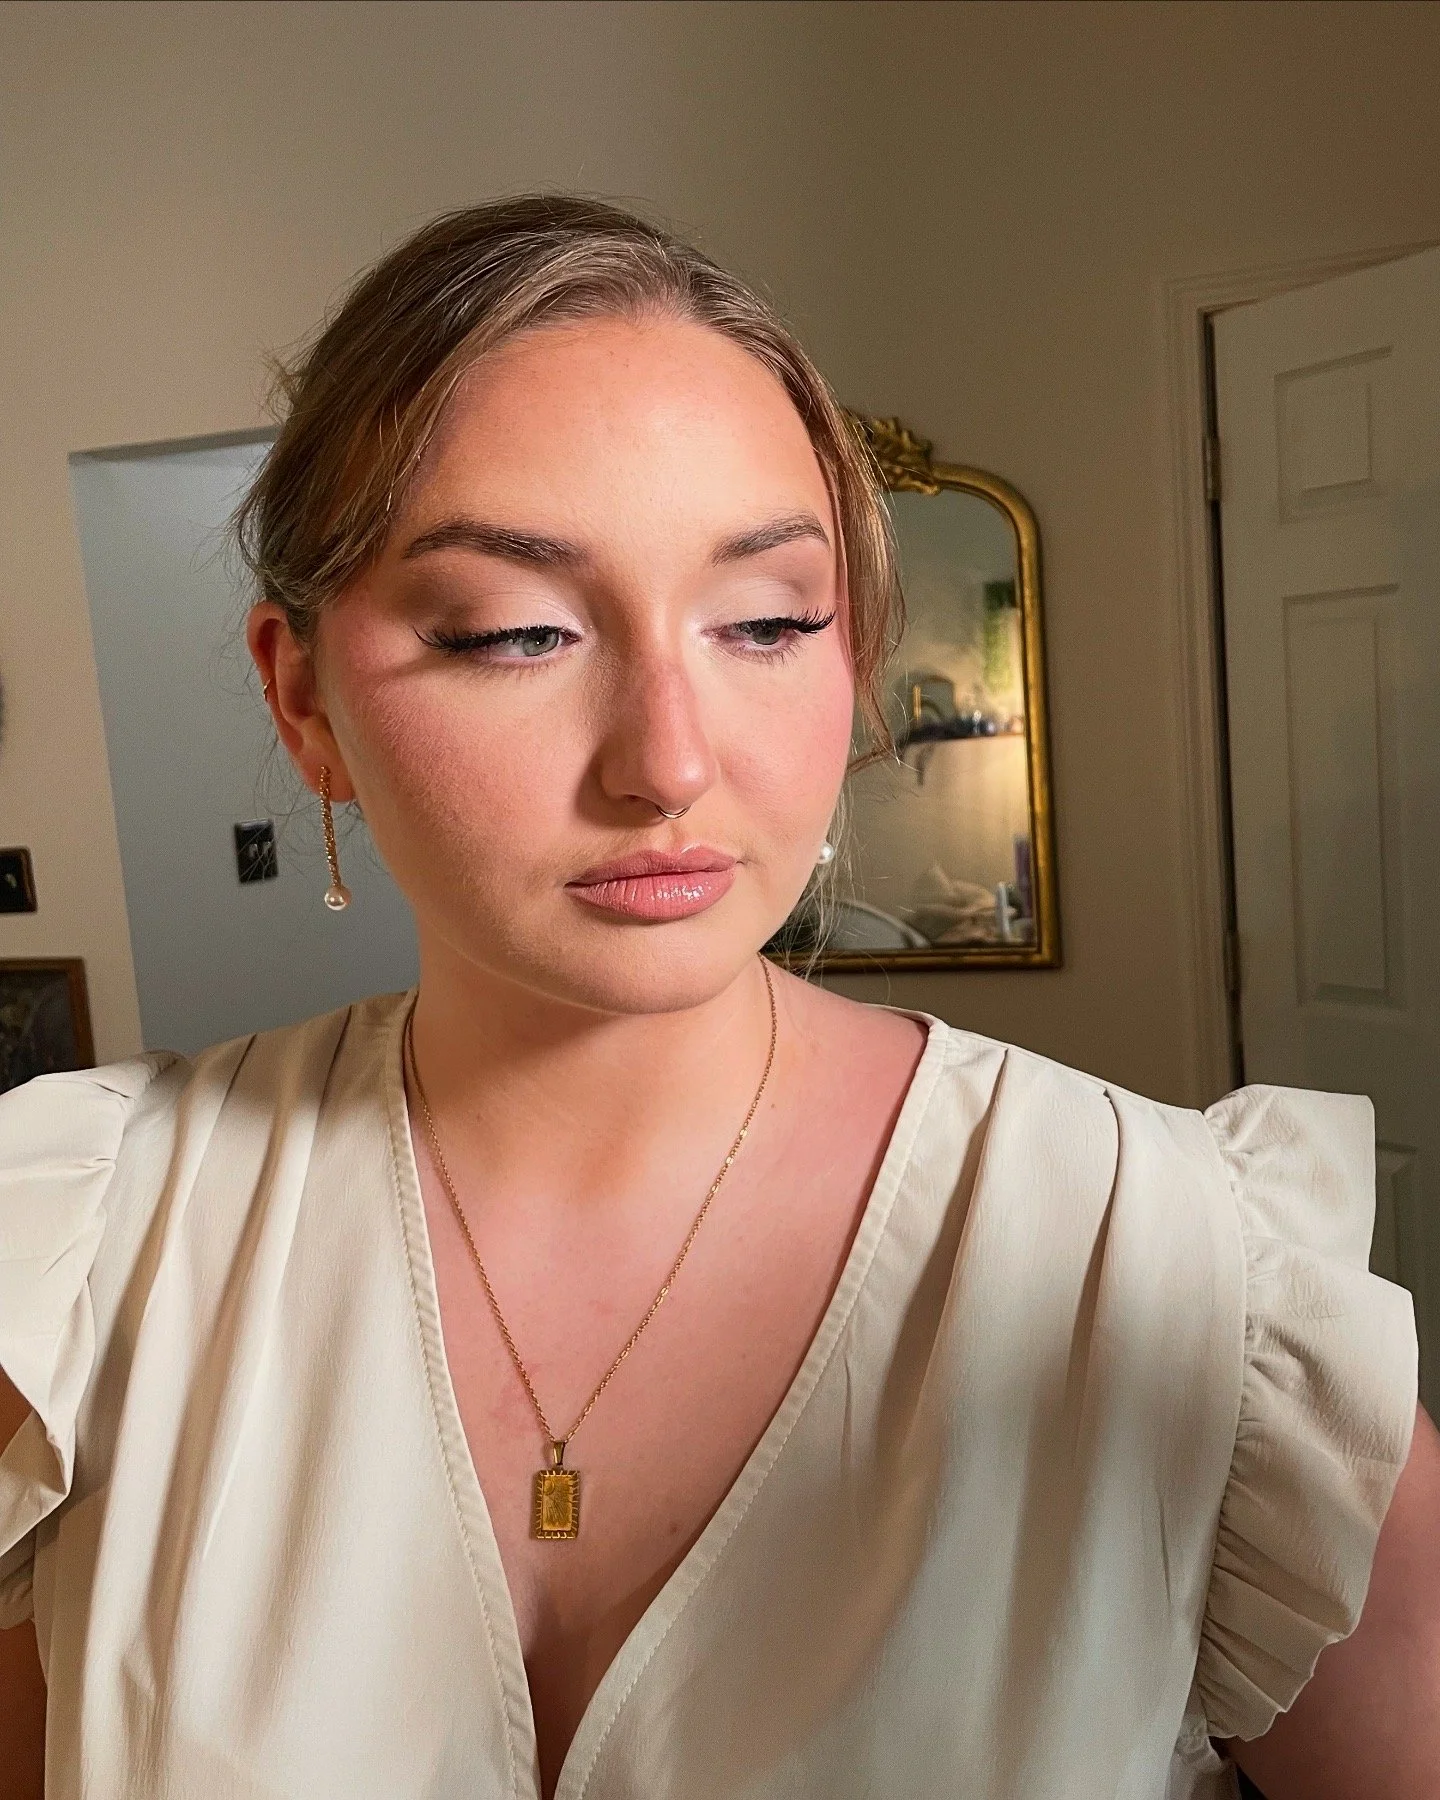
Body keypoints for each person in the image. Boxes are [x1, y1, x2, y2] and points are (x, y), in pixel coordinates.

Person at [1, 196, 1435, 1800]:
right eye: (513, 632)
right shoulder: (74, 1260)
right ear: (302, 697)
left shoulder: (1179, 1276)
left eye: (763, 622)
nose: (669, 761)